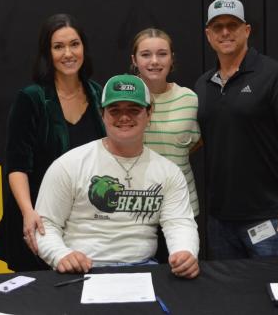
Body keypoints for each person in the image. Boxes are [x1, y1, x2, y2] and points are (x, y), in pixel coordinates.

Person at [34, 75, 200, 278]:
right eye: (115, 110)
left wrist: (185, 252)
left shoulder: (168, 171)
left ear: (149, 113)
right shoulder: (69, 165)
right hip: (81, 271)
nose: (124, 117)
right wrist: (60, 255)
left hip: (143, 269)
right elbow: (45, 224)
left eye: (133, 110)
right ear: (102, 114)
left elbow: (179, 222)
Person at [195, 0, 278, 259]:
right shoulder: (203, 85)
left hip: (270, 218)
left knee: (276, 295)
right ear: (208, 35)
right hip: (220, 222)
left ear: (246, 30)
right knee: (228, 299)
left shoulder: (276, 76)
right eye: (217, 26)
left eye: (232, 25)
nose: (225, 32)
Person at [0, 14, 106, 272]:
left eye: (74, 44)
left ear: (84, 48)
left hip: (84, 223)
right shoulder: (31, 98)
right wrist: (28, 213)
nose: (68, 53)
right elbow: (16, 166)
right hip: (38, 221)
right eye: (58, 47)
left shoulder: (99, 94)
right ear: (47, 53)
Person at [130, 28, 201, 217]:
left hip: (181, 208)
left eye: (162, 54)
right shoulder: (122, 97)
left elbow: (195, 142)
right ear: (134, 60)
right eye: (146, 55)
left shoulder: (189, 99)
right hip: (134, 210)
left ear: (171, 59)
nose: (154, 61)